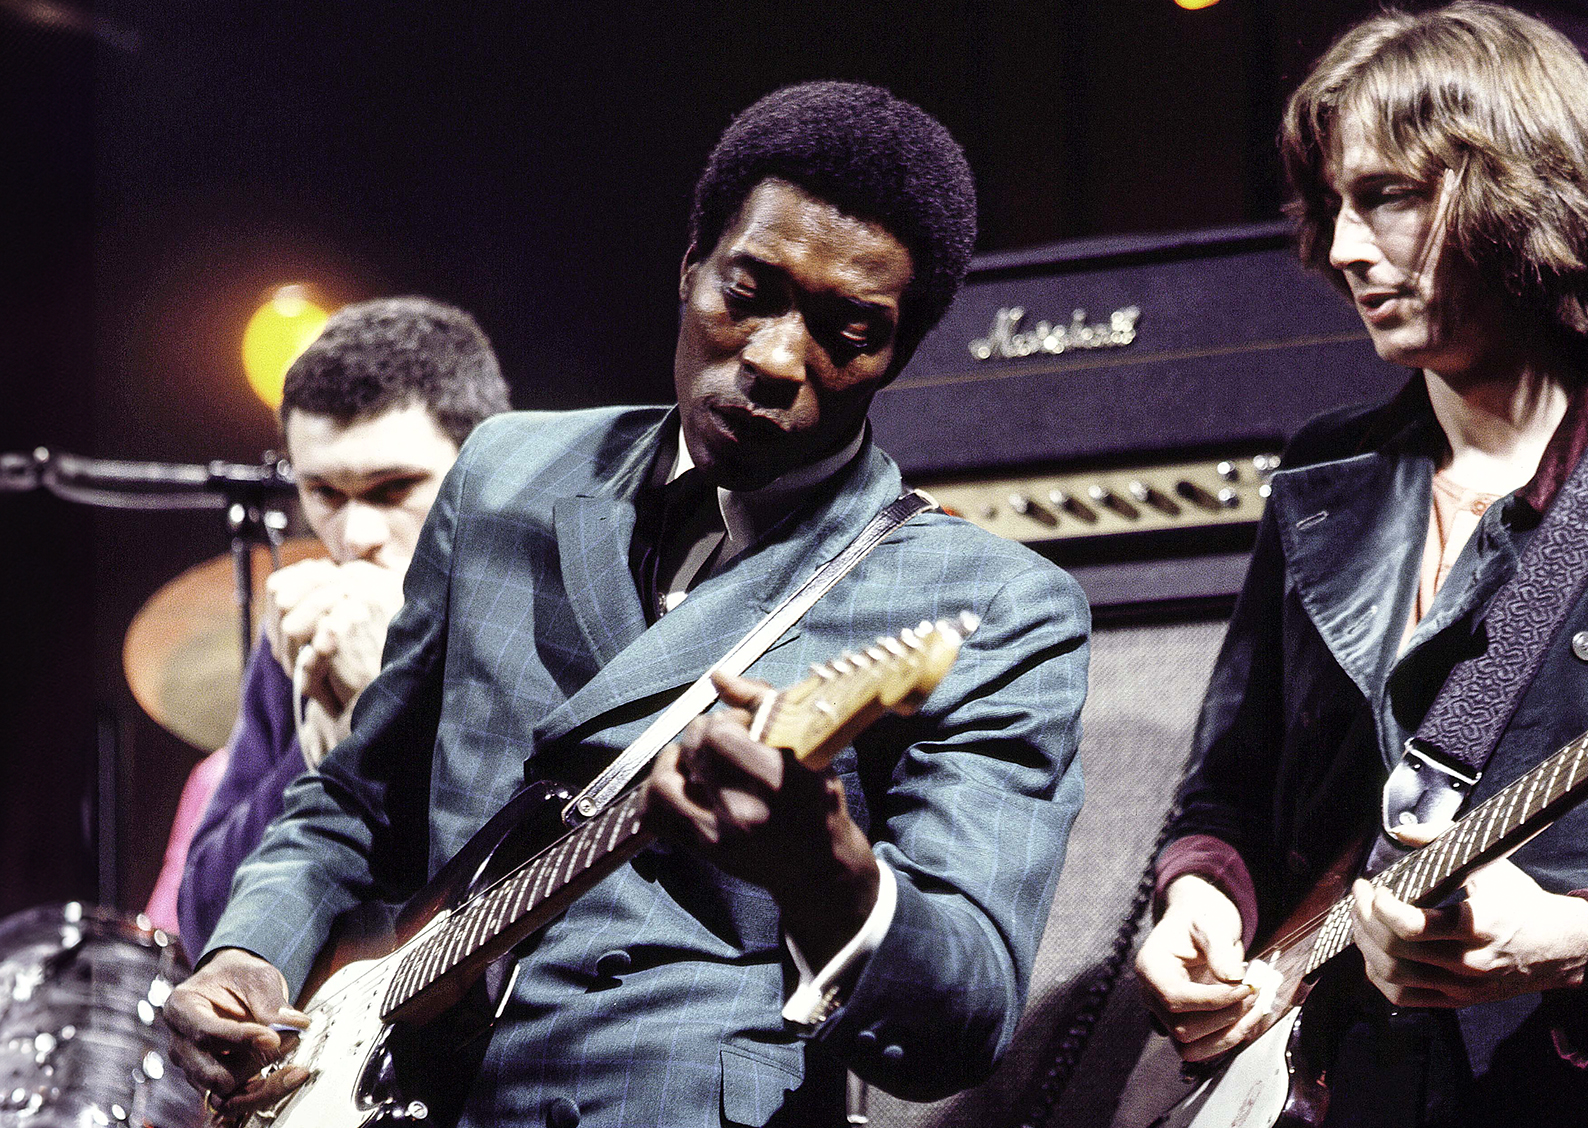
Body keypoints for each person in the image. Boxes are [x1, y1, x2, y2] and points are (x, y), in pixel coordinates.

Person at [165, 81, 1091, 1128]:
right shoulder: (507, 471)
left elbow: (962, 1020)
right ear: (688, 268)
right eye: (748, 290)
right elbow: (355, 801)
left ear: (899, 352)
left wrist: (828, 877)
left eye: (847, 330)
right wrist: (252, 953)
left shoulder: (992, 605)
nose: (779, 358)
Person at [1135, 6, 1588, 1126]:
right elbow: (1225, 794)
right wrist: (1199, 896)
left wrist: (1568, 941)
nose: (1339, 247)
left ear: (1523, 196)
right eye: (1333, 201)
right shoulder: (1322, 478)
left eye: (1386, 195)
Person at [165, 297, 512, 955]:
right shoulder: (305, 637)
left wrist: (386, 719)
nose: (355, 536)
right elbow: (204, 917)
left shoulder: (542, 610)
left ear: (487, 467)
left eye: (392, 489)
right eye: (323, 493)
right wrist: (325, 744)